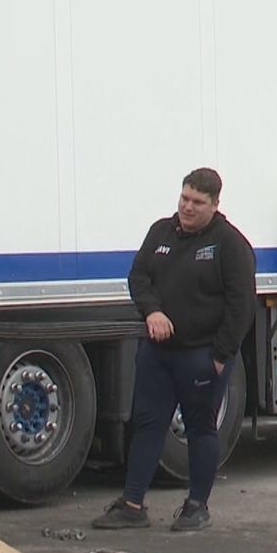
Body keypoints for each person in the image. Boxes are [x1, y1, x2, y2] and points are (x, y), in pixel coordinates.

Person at [92, 168, 256, 531]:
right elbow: (139, 277)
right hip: (158, 353)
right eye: (184, 198)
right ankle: (132, 505)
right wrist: (152, 310)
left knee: (200, 429)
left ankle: (196, 506)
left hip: (201, 355)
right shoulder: (161, 232)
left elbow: (242, 306)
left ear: (215, 204)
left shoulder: (230, 244)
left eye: (198, 202)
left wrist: (218, 357)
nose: (188, 207)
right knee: (147, 426)